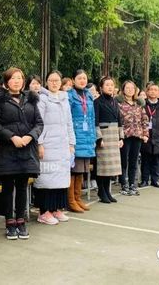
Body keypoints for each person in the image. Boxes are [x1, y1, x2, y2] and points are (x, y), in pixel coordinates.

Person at [0, 67, 43, 240]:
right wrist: (12, 137)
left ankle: (21, 220)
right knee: (7, 188)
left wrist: (29, 136)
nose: (16, 81)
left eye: (19, 78)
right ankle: (9, 222)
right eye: (12, 78)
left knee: (22, 187)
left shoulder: (31, 99)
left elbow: (39, 123)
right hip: (7, 150)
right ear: (6, 82)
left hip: (27, 149)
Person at [35, 71, 75, 225]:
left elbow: (69, 122)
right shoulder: (42, 99)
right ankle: (44, 212)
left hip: (62, 145)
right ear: (46, 82)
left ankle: (57, 209)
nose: (54, 83)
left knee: (60, 179)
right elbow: (38, 122)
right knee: (46, 179)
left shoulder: (64, 98)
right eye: (51, 80)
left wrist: (72, 143)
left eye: (57, 80)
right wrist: (40, 143)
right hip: (48, 145)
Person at [67, 70, 96, 213]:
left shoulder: (88, 95)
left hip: (87, 137)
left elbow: (92, 119)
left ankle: (78, 198)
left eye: (84, 78)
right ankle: (70, 200)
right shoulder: (69, 96)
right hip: (76, 137)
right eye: (79, 78)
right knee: (73, 170)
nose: (82, 80)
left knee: (81, 170)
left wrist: (93, 137)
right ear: (73, 80)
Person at [93, 76, 123, 203]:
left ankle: (107, 191)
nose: (110, 87)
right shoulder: (97, 102)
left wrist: (121, 137)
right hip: (104, 135)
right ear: (101, 87)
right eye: (107, 85)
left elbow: (120, 121)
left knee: (111, 168)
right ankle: (102, 191)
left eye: (112, 85)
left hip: (114, 135)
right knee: (103, 166)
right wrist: (99, 138)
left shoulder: (115, 102)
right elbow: (95, 122)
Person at [118, 81, 149, 196]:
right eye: (127, 88)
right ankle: (123, 184)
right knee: (124, 161)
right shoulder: (119, 104)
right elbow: (118, 121)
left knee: (134, 161)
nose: (130, 90)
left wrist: (145, 134)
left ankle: (132, 184)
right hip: (125, 136)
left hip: (137, 135)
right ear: (123, 89)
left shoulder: (139, 104)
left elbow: (144, 120)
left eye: (132, 88)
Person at [140, 84, 159, 188]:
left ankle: (155, 180)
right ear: (147, 92)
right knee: (145, 159)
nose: (153, 92)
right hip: (146, 137)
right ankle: (144, 180)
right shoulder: (143, 105)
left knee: (156, 160)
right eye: (151, 90)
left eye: (155, 90)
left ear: (158, 93)